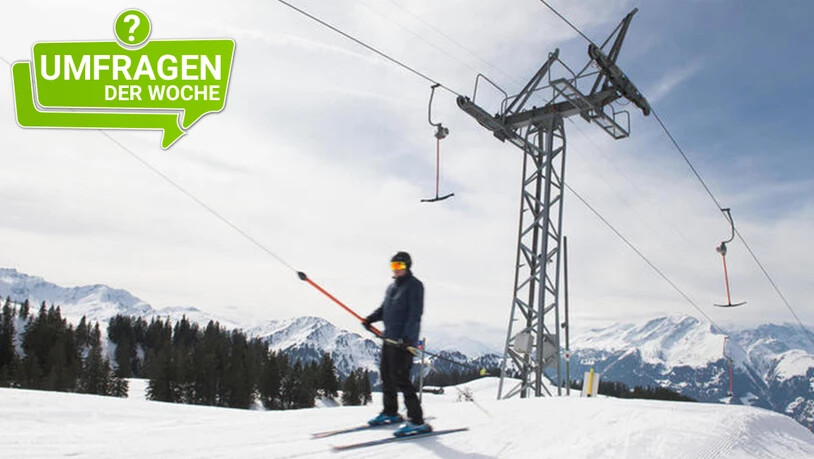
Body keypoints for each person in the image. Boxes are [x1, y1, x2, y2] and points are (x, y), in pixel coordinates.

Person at [362, 251, 431, 437]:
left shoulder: (414, 286)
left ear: (407, 266)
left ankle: (417, 420)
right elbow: (385, 309)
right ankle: (390, 411)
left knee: (402, 378)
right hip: (389, 339)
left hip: (404, 343)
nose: (396, 269)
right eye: (393, 266)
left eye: (399, 266)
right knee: (386, 375)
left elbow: (415, 314)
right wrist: (370, 319)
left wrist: (407, 339)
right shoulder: (392, 287)